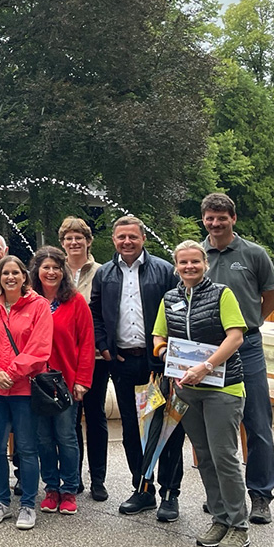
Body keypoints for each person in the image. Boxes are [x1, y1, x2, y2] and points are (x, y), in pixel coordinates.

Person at [153, 241, 250, 547]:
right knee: (204, 455)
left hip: (223, 387)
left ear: (204, 263)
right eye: (183, 263)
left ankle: (238, 525)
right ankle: (220, 517)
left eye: (195, 261)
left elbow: (235, 335)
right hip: (188, 388)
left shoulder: (222, 294)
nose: (189, 267)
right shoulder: (170, 298)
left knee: (224, 456)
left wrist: (206, 366)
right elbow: (159, 335)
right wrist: (169, 354)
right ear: (176, 266)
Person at [89, 215, 183, 520]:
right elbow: (95, 313)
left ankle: (170, 494)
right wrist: (104, 346)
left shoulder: (164, 270)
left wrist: (171, 352)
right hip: (123, 362)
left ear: (143, 238)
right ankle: (142, 489)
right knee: (132, 429)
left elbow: (178, 311)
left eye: (132, 236)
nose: (126, 242)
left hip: (156, 362)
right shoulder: (105, 273)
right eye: (121, 237)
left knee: (167, 428)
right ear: (114, 240)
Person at [201, 192, 274, 526]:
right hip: (207, 350)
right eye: (210, 218)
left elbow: (271, 299)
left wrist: (248, 326)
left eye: (222, 217)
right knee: (214, 428)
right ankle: (222, 496)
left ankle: (260, 494)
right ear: (203, 219)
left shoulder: (253, 254)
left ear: (233, 218)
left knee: (257, 422)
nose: (216, 223)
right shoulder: (196, 253)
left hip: (245, 348)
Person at [0, 256, 53, 530]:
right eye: (5, 273)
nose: (10, 277)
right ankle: (2, 502)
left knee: (27, 448)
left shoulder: (39, 306)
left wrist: (14, 372)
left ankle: (28, 505)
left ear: (24, 276)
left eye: (15, 272)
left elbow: (40, 347)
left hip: (24, 388)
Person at [28, 246, 93, 517]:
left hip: (65, 381)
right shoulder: (28, 301)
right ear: (37, 271)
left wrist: (82, 381)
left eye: (56, 267)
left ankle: (69, 489)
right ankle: (51, 488)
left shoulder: (75, 302)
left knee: (66, 437)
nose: (51, 272)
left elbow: (87, 343)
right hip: (36, 382)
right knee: (43, 438)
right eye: (46, 267)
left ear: (63, 271)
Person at [59, 215, 107, 500]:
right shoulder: (54, 272)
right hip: (65, 357)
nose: (74, 242)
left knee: (96, 415)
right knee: (70, 420)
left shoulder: (102, 272)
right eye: (68, 238)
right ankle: (72, 475)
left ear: (88, 241)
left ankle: (98, 478)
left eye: (79, 238)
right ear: (62, 243)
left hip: (96, 357)